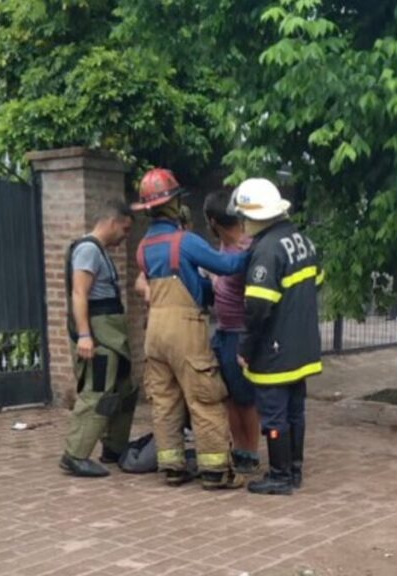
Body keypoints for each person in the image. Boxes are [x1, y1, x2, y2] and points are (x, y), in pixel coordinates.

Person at [132, 167, 248, 490]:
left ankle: (172, 467)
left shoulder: (143, 248)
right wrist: (253, 249)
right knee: (204, 397)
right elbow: (227, 266)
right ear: (173, 204)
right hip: (184, 329)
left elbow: (182, 280)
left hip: (155, 330)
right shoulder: (185, 241)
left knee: (165, 400)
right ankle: (215, 472)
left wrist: (201, 286)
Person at [232, 178, 323, 496]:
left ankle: (280, 476)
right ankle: (294, 471)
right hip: (303, 345)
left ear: (255, 216)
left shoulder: (267, 250)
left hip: (275, 348)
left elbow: (257, 308)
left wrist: (245, 346)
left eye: (243, 217)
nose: (242, 224)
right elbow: (316, 283)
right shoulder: (302, 241)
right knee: (295, 410)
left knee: (273, 415)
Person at [59, 201, 137, 478]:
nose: (125, 236)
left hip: (111, 334)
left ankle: (114, 447)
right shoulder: (89, 250)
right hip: (99, 334)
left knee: (124, 388)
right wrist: (84, 335)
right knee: (98, 390)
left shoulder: (98, 252)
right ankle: (75, 455)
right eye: (125, 229)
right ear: (112, 222)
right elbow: (80, 293)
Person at [204, 191, 259, 474]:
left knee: (244, 397)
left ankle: (250, 451)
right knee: (228, 395)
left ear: (213, 221)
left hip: (239, 331)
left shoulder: (247, 248)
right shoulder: (224, 246)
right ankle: (239, 447)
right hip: (224, 331)